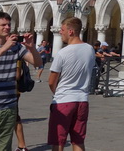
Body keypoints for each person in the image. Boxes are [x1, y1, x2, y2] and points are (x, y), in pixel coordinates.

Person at [0, 12, 42, 151]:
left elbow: (38, 63)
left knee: (4, 148)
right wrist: (3, 49)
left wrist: (31, 47)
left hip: (8, 107)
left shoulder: (16, 47)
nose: (7, 27)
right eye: (3, 25)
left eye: (9, 25)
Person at [47, 17, 96, 151]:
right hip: (82, 101)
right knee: (78, 141)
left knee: (58, 141)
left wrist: (57, 93)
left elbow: (51, 81)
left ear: (70, 31)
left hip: (63, 101)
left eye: (62, 30)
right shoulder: (90, 50)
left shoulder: (62, 53)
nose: (60, 32)